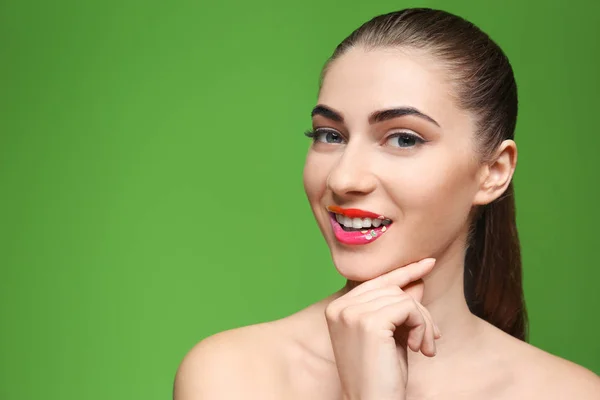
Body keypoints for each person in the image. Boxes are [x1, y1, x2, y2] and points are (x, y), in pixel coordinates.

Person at [173, 8, 600, 399]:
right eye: (330, 135)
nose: (343, 178)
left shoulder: (570, 392)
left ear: (494, 172)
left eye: (403, 138)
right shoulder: (233, 375)